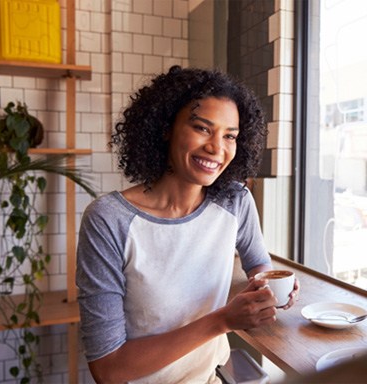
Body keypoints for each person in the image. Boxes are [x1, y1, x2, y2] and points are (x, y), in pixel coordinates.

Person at [76, 66, 300, 384]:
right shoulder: (109, 220)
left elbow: (258, 265)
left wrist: (271, 288)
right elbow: (109, 369)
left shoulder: (235, 201)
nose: (216, 147)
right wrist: (222, 320)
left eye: (230, 136)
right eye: (202, 128)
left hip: (214, 377)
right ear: (167, 128)